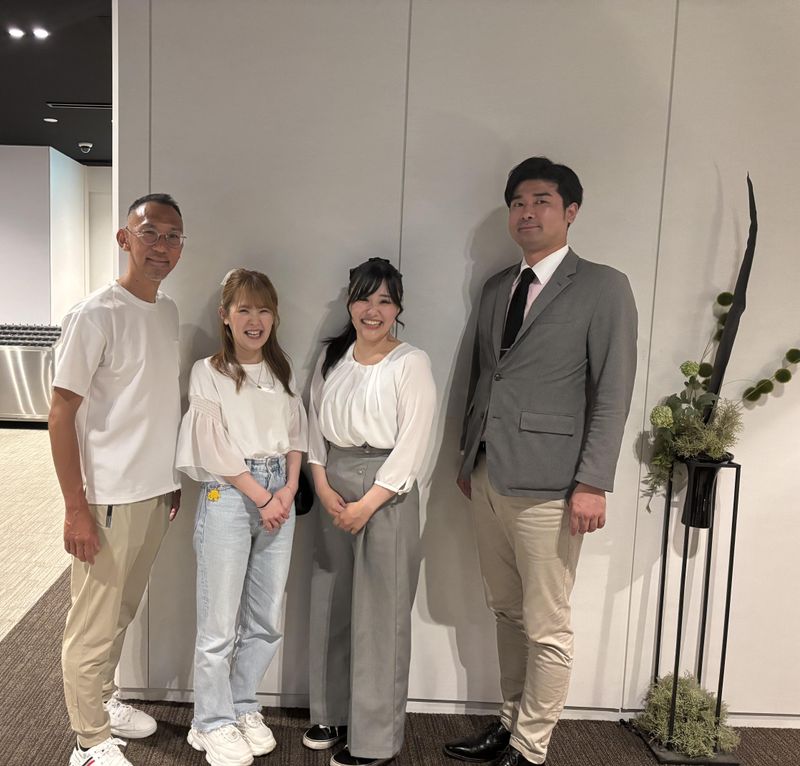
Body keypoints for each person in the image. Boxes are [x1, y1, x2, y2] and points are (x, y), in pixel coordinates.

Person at [444, 157, 638, 766]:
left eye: (541, 201)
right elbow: (484, 376)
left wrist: (593, 482)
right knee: (506, 610)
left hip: (553, 482)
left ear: (570, 211)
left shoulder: (604, 287)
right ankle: (509, 723)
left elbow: (612, 392)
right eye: (518, 203)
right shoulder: (497, 286)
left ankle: (531, 748)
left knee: (546, 621)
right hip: (487, 473)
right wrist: (468, 455)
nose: (527, 213)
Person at [49, 193, 187, 766]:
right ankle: (88, 741)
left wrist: (170, 476)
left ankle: (104, 700)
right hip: (107, 497)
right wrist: (74, 507)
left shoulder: (167, 311)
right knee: (92, 622)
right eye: (150, 232)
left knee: (122, 611)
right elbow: (61, 413)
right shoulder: (95, 314)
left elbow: (151, 403)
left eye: (173, 236)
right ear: (124, 238)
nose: (162, 246)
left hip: (153, 493)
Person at [302, 257, 437, 766]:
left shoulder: (411, 362)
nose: (372, 310)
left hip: (387, 490)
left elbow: (414, 442)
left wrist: (368, 503)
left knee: (381, 612)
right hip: (332, 480)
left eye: (384, 300)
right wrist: (321, 483)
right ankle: (331, 712)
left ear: (398, 308)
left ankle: (375, 739)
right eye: (364, 298)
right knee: (331, 599)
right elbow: (312, 424)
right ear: (349, 302)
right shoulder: (332, 356)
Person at [176, 268, 307, 766]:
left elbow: (297, 436)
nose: (255, 320)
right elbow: (212, 445)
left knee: (266, 617)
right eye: (244, 309)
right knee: (219, 622)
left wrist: (287, 490)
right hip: (229, 494)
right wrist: (262, 496)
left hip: (280, 494)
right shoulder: (207, 371)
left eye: (264, 309)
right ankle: (210, 722)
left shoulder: (281, 371)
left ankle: (242, 704)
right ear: (225, 316)